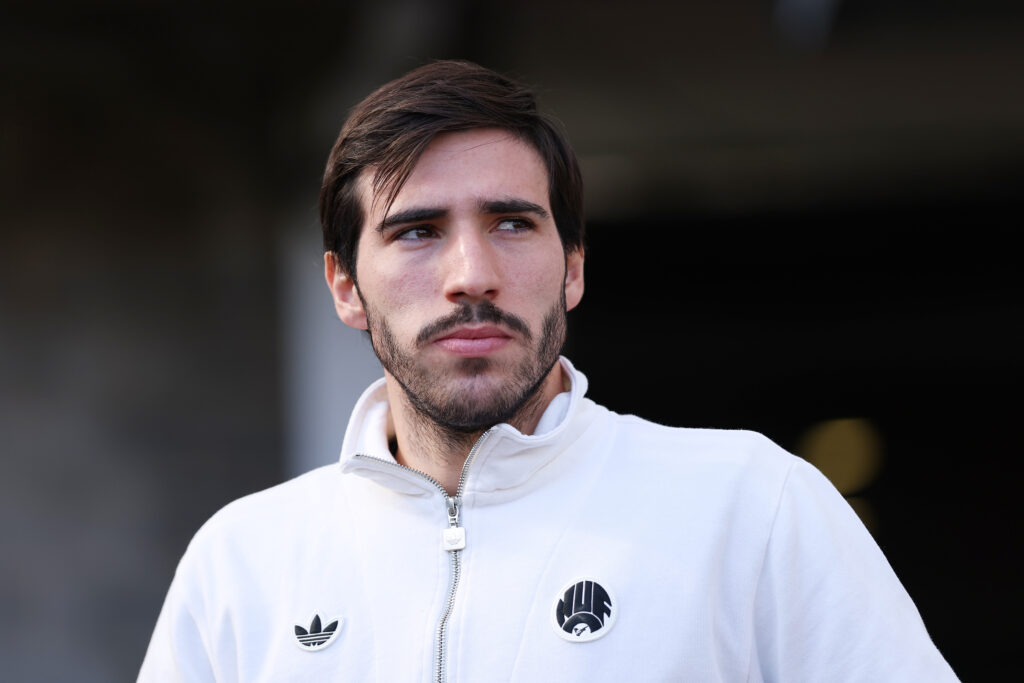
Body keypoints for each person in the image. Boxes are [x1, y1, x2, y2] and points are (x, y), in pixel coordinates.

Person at [139, 60, 958, 682]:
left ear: (573, 268)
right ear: (346, 285)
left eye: (511, 223)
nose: (472, 274)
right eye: (418, 231)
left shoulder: (752, 506)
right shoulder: (244, 563)